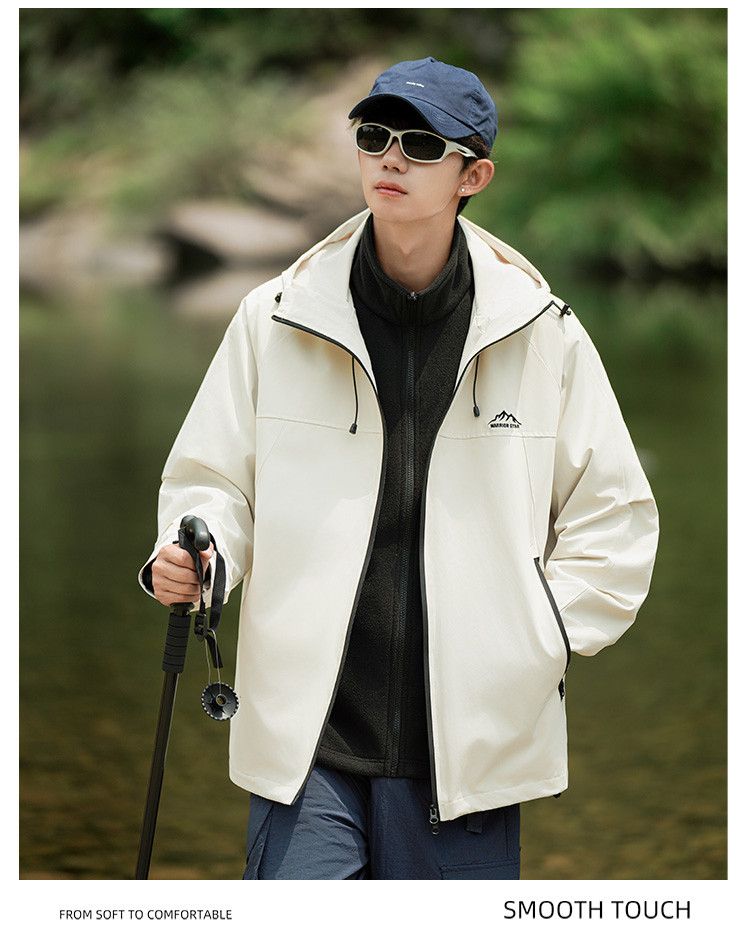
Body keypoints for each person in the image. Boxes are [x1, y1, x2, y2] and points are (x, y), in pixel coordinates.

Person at [139, 57, 659, 880]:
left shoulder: (543, 331)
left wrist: (538, 638)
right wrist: (200, 557)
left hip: (469, 755)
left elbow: (615, 518)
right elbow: (213, 479)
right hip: (308, 746)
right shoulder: (273, 316)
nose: (390, 157)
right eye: (375, 135)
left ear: (472, 176)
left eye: (420, 145)